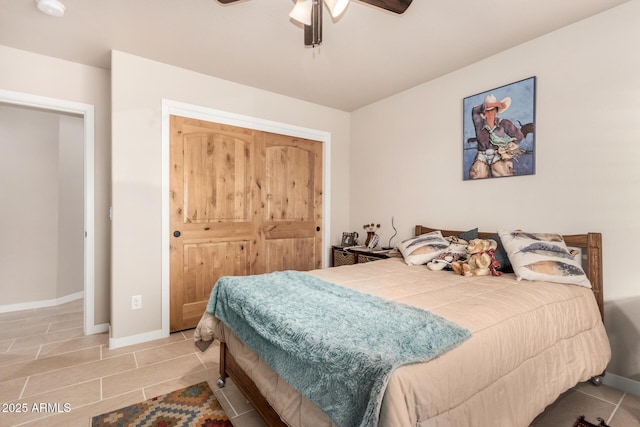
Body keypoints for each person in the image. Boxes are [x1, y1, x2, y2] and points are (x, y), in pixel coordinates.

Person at [469, 94, 524, 179]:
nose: (490, 113)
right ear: (483, 112)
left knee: (504, 175)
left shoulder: (504, 123)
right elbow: (475, 110)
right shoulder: (479, 124)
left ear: (496, 111)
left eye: (493, 110)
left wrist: (509, 147)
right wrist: (495, 104)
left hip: (498, 155)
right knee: (477, 175)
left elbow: (519, 136)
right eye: (487, 110)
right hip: (482, 156)